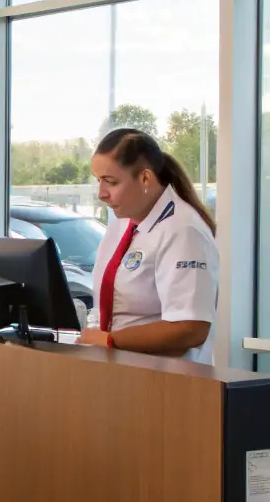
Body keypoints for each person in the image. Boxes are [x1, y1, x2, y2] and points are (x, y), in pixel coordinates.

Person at [78, 128, 218, 362]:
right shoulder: (121, 224)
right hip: (119, 372)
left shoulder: (183, 230)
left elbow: (191, 328)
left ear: (145, 178)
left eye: (110, 182)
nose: (101, 194)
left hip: (166, 382)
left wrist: (111, 340)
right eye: (98, 181)